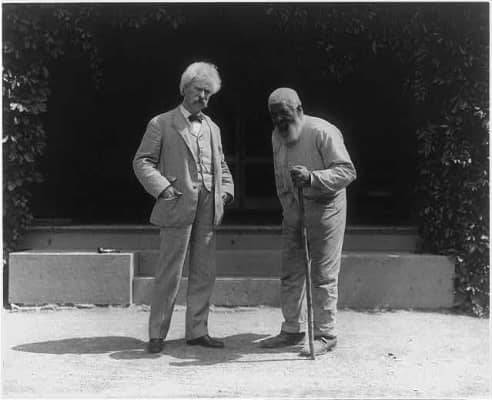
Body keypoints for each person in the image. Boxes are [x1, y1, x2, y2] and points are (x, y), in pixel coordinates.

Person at [133, 62, 234, 353]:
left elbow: (221, 164)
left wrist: (226, 192)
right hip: (176, 202)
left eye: (208, 93)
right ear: (184, 88)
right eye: (199, 90)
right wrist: (163, 188)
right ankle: (157, 333)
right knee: (169, 271)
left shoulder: (213, 128)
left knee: (204, 271)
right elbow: (142, 161)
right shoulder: (161, 123)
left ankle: (197, 331)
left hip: (208, 206)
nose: (203, 97)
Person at [260, 87, 356, 356]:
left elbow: (347, 172)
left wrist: (313, 177)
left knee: (323, 275)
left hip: (326, 210)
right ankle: (293, 329)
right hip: (294, 209)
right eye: (274, 115)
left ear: (299, 110)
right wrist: (288, 208)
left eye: (284, 113)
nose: (279, 120)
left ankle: (326, 334)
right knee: (290, 272)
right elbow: (280, 175)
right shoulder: (277, 136)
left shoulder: (323, 132)